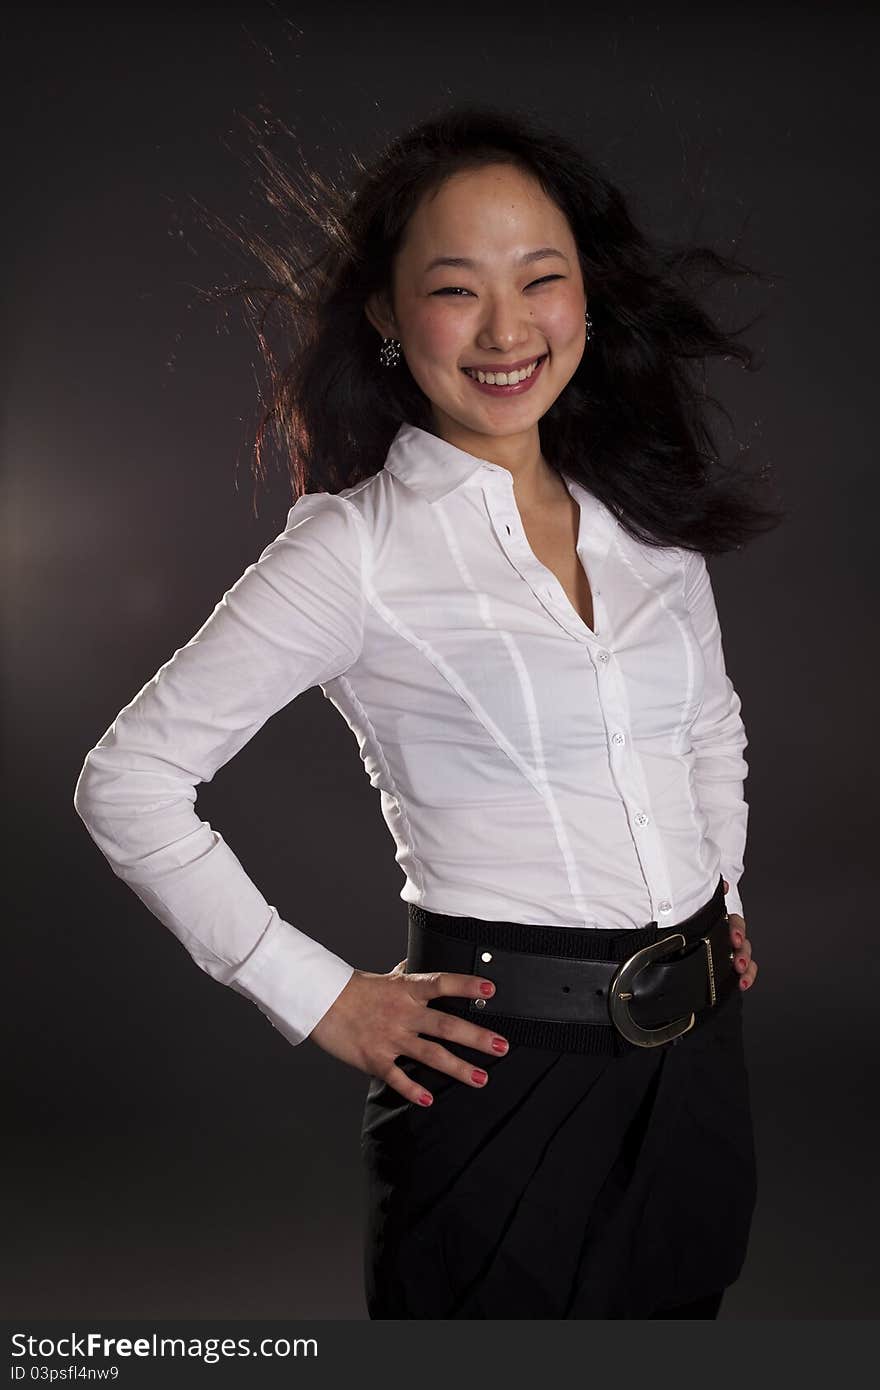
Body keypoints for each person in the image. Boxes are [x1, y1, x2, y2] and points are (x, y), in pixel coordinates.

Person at [73, 103, 782, 1320]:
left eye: (539, 280)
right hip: (501, 1078)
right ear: (390, 319)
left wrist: (713, 899)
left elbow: (708, 730)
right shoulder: (354, 549)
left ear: (586, 295)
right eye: (457, 289)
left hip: (698, 1071)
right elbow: (127, 780)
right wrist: (313, 991)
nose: (507, 330)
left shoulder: (646, 521)